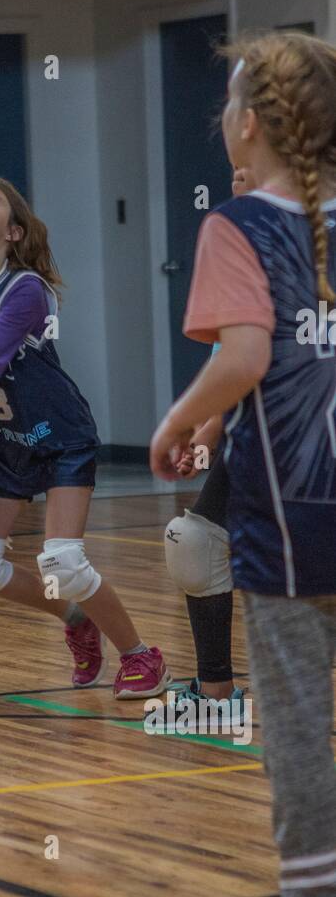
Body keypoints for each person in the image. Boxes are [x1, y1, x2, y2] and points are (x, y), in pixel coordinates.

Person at [151, 32, 336, 897]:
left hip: (297, 515)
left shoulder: (239, 225)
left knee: (301, 720)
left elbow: (251, 357)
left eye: (226, 102)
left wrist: (183, 418)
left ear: (249, 122)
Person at [0, 175, 170, 699]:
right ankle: (76, 618)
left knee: (63, 561)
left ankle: (142, 656)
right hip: (4, 444)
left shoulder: (26, 290)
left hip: (60, 436)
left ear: (14, 231)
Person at [163, 168, 252, 718]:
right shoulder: (236, 237)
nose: (240, 172)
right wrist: (200, 430)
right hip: (260, 429)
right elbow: (233, 359)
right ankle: (216, 693)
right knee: (195, 543)